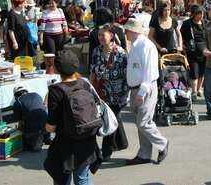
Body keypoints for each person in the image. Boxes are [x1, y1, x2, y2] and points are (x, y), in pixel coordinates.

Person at [44, 50, 102, 185]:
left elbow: (51, 126)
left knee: (62, 179)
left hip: (66, 145)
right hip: (88, 139)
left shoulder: (55, 90)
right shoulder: (84, 83)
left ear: (58, 69)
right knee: (83, 178)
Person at [124, 18, 169, 165]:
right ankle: (144, 153)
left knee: (143, 122)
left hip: (145, 88)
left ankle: (162, 143)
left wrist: (142, 93)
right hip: (135, 88)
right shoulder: (136, 45)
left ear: (133, 31)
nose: (125, 33)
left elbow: (149, 73)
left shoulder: (146, 46)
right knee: (140, 123)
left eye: (127, 30)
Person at [90, 24, 128, 161]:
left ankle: (106, 150)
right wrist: (91, 88)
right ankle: (122, 142)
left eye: (102, 35)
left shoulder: (121, 52)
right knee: (111, 118)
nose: (100, 37)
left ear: (111, 36)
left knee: (110, 120)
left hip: (117, 93)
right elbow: (93, 71)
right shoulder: (96, 51)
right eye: (99, 35)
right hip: (102, 91)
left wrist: (125, 94)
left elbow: (126, 75)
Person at [180, 4, 207, 98]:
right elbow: (180, 35)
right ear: (194, 14)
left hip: (204, 51)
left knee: (202, 72)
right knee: (194, 72)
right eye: (199, 13)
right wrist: (182, 45)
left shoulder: (205, 23)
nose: (201, 16)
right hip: (192, 51)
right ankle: (194, 91)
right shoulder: (187, 23)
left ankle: (199, 89)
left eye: (202, 13)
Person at [13, 85, 49, 152]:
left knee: (34, 148)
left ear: (15, 95)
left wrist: (19, 133)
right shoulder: (36, 94)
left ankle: (38, 138)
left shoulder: (17, 102)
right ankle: (46, 138)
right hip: (47, 122)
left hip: (34, 127)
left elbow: (20, 122)